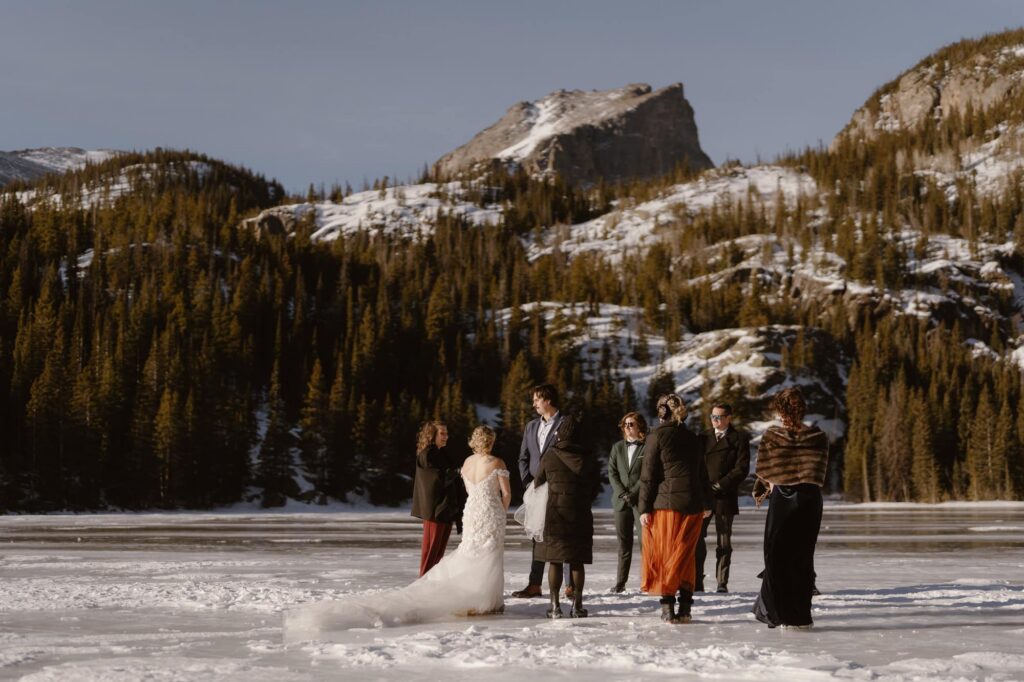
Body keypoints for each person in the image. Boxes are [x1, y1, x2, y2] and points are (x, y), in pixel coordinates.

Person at [284, 425, 510, 635]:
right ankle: (488, 601)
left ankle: (477, 598)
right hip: (489, 511)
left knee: (471, 552)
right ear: (490, 441)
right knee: (489, 553)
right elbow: (506, 494)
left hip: (472, 512)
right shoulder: (497, 462)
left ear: (474, 441)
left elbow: (468, 491)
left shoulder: (468, 463)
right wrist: (501, 511)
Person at [751, 386, 829, 630]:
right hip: (810, 499)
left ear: (780, 409)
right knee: (802, 557)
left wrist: (769, 484)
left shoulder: (773, 436)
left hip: (784, 498)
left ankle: (780, 613)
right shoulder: (818, 436)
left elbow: (763, 471)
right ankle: (801, 616)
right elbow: (819, 472)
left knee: (777, 557)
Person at [639, 394, 712, 624]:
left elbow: (648, 476)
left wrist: (643, 507)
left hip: (667, 504)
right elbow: (703, 474)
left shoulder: (656, 436)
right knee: (686, 555)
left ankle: (668, 606)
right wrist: (707, 502)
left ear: (662, 412)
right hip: (693, 503)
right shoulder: (692, 437)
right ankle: (686, 607)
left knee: (665, 554)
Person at [533, 415, 597, 618]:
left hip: (555, 515)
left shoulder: (550, 456)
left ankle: (554, 606)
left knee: (555, 561)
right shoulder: (587, 458)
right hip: (580, 515)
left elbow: (537, 483)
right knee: (576, 561)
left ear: (560, 434)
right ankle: (577, 606)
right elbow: (595, 488)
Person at [511, 384, 564, 599]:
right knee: (537, 537)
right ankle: (535, 584)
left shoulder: (566, 423)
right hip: (535, 490)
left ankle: (568, 585)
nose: (533, 404)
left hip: (559, 489)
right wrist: (528, 484)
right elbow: (523, 457)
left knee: (561, 537)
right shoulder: (531, 426)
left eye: (536, 400)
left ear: (548, 400)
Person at [695, 403, 751, 593]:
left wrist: (720, 485)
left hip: (725, 495)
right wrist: (704, 488)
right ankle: (697, 580)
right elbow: (696, 466)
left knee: (724, 542)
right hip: (703, 496)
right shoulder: (702, 438)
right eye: (712, 417)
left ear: (729, 418)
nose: (715, 420)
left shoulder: (739, 438)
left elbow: (741, 468)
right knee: (697, 539)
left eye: (719, 417)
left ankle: (721, 582)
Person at [410, 421, 464, 576]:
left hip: (446, 508)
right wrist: (455, 473)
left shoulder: (442, 453)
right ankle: (423, 584)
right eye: (442, 433)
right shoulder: (427, 454)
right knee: (431, 550)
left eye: (447, 433)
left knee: (438, 552)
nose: (446, 437)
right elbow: (432, 480)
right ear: (432, 434)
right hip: (434, 510)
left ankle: (431, 584)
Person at [607, 411, 648, 592]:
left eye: (631, 424)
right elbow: (612, 472)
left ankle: (648, 581)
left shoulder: (647, 447)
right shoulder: (617, 447)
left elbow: (648, 473)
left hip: (640, 501)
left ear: (639, 426)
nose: (627, 428)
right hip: (620, 501)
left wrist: (633, 492)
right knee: (624, 545)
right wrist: (623, 493)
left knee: (645, 543)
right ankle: (620, 583)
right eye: (625, 425)